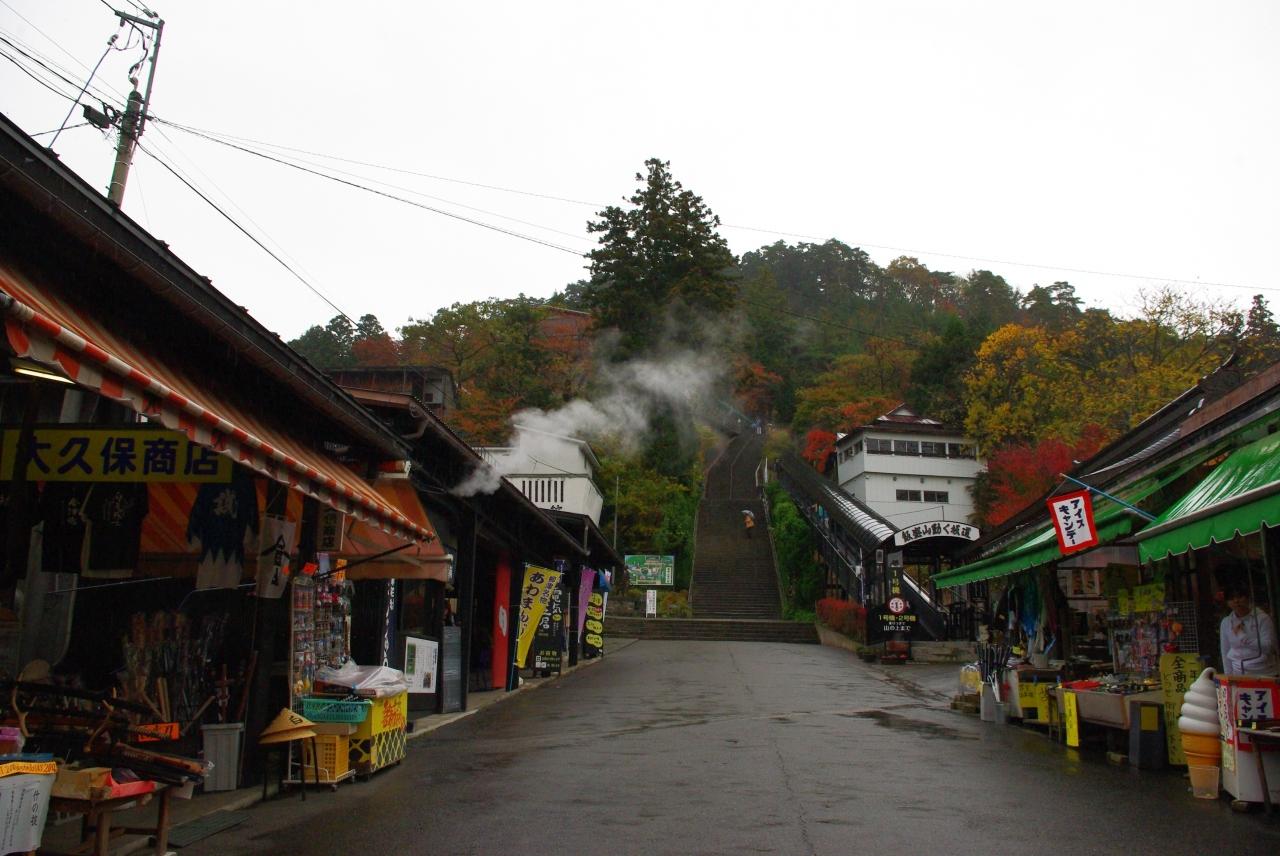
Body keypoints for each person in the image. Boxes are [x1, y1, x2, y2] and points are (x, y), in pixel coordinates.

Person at [1219, 587, 1279, 675]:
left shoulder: (1262, 618)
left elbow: (1268, 647)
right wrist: (1228, 675)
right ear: (1227, 603)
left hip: (1265, 672)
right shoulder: (1226, 622)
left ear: (1248, 598)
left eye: (1239, 597)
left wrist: (1243, 638)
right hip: (1238, 673)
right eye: (1231, 598)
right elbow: (1225, 651)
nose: (1236, 601)